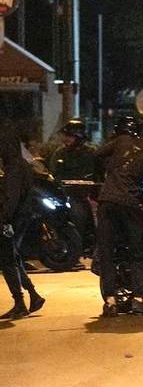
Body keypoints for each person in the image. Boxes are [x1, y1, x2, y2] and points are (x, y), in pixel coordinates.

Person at [94, 121, 143, 319]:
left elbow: (97, 154)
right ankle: (138, 298)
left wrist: (105, 175)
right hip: (129, 205)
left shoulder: (123, 141)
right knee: (137, 251)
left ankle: (110, 301)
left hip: (106, 201)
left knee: (107, 252)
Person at [0, 118, 43, 320]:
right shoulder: (21, 165)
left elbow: (11, 199)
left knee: (8, 260)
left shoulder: (14, 169)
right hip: (21, 217)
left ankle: (19, 302)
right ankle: (33, 295)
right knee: (14, 258)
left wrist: (3, 220)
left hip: (12, 220)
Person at [48, 118, 98, 254]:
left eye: (70, 136)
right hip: (62, 195)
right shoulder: (60, 153)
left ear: (79, 136)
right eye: (66, 136)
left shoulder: (90, 153)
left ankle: (82, 246)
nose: (67, 139)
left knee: (80, 215)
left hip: (82, 196)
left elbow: (94, 174)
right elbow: (53, 173)